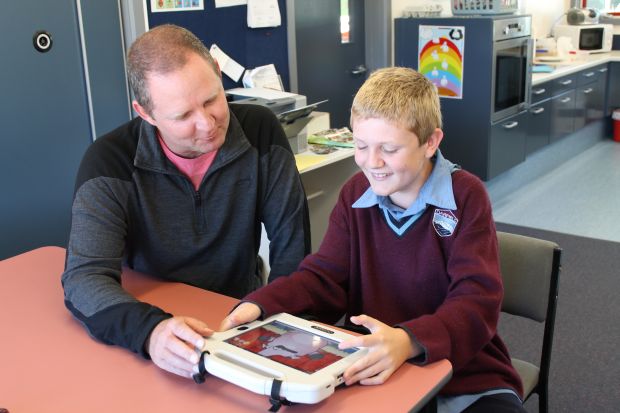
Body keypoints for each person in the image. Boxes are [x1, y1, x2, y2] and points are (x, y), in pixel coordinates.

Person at [221, 67, 525, 412]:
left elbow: (477, 300)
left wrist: (409, 341)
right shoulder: (355, 194)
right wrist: (262, 304)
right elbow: (324, 278)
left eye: (389, 149)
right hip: (374, 367)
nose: (371, 162)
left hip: (464, 371)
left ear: (431, 142)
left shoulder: (466, 196)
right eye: (361, 145)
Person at [61, 24, 310, 380]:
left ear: (218, 73)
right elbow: (84, 278)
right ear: (145, 113)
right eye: (182, 116)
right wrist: (150, 332)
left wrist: (276, 320)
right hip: (148, 323)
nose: (207, 124)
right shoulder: (109, 160)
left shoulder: (261, 130)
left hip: (241, 317)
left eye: (212, 100)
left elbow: (294, 250)